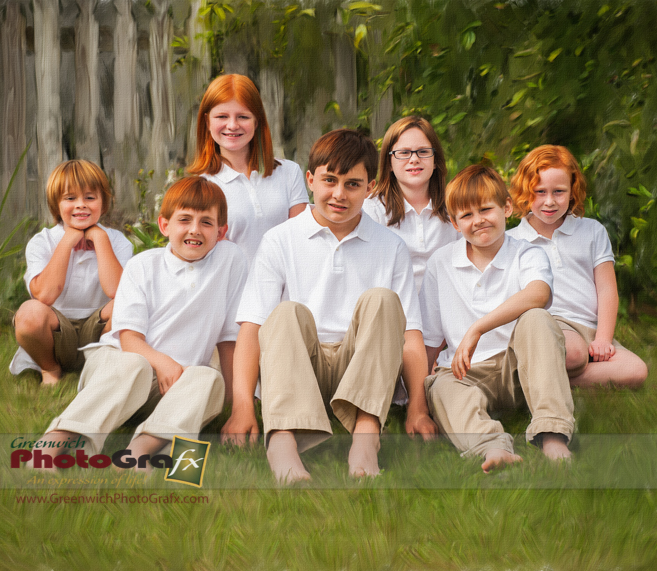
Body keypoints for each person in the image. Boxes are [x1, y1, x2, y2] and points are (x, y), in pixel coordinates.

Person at [221, 129, 436, 483]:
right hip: (300, 368)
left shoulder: (390, 246)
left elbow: (410, 334)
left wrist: (417, 405)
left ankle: (366, 439)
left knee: (383, 301)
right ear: (310, 180)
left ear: (370, 189)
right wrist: (243, 404)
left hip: (362, 368)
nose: (339, 194)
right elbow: (252, 326)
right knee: (287, 313)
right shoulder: (279, 240)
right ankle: (283, 443)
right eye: (329, 181)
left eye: (353, 184)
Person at [29, 176, 248, 469]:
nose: (195, 230)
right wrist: (162, 362)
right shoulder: (144, 266)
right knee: (135, 366)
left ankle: (139, 450)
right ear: (164, 225)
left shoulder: (230, 260)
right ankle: (54, 442)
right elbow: (128, 339)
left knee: (209, 378)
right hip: (119, 367)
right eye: (184, 220)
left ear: (222, 232)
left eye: (206, 223)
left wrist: (235, 409)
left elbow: (228, 338)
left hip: (172, 388)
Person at [420, 164, 574, 472]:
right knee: (440, 385)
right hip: (465, 372)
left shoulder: (526, 254)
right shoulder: (441, 263)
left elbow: (539, 293)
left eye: (485, 209)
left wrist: (477, 328)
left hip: (517, 368)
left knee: (537, 319)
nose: (478, 221)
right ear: (454, 223)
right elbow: (430, 339)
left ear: (506, 207)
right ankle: (491, 445)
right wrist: (419, 404)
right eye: (466, 215)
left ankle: (552, 434)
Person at [507, 145, 648, 388]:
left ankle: (540, 386)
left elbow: (606, 290)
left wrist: (603, 339)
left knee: (636, 371)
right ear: (524, 192)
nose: (549, 201)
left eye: (559, 192)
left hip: (590, 331)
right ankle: (552, 379)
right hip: (550, 325)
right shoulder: (512, 241)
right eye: (539, 192)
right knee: (573, 354)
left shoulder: (592, 231)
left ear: (573, 191)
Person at [9, 160, 133, 385]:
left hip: (100, 330)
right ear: (56, 205)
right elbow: (45, 296)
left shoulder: (117, 241)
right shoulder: (42, 242)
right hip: (56, 333)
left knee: (129, 305)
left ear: (103, 203)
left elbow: (117, 291)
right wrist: (67, 242)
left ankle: (101, 366)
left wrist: (100, 239)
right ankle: (50, 368)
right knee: (28, 314)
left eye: (89, 197)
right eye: (70, 198)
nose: (81, 205)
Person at [187, 73, 309, 258]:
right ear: (207, 121)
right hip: (235, 286)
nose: (232, 125)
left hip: (288, 285)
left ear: (257, 121)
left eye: (243, 116)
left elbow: (301, 240)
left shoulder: (289, 172)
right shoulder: (200, 187)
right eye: (222, 116)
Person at [363, 116, 458, 292]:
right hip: (395, 309)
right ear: (389, 163)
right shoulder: (372, 210)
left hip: (446, 307)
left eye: (423, 151)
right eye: (404, 153)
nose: (414, 159)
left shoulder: (455, 205)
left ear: (435, 160)